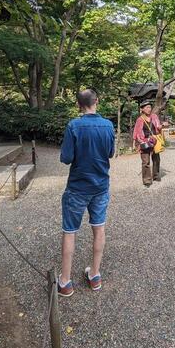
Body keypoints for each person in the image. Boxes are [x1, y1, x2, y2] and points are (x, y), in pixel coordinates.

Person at [58, 89, 115, 297]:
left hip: (77, 187)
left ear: (78, 104)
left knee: (70, 231)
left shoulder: (73, 125)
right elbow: (110, 153)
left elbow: (66, 158)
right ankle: (95, 275)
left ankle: (65, 281)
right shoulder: (108, 125)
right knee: (99, 228)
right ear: (97, 101)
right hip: (100, 185)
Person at [133, 101, 162, 187]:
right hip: (144, 141)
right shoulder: (140, 119)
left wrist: (161, 126)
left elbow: (158, 127)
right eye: (146, 107)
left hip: (154, 141)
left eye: (149, 107)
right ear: (142, 109)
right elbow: (136, 132)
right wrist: (135, 142)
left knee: (156, 159)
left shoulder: (154, 116)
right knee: (145, 161)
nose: (149, 109)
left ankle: (156, 175)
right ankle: (147, 180)